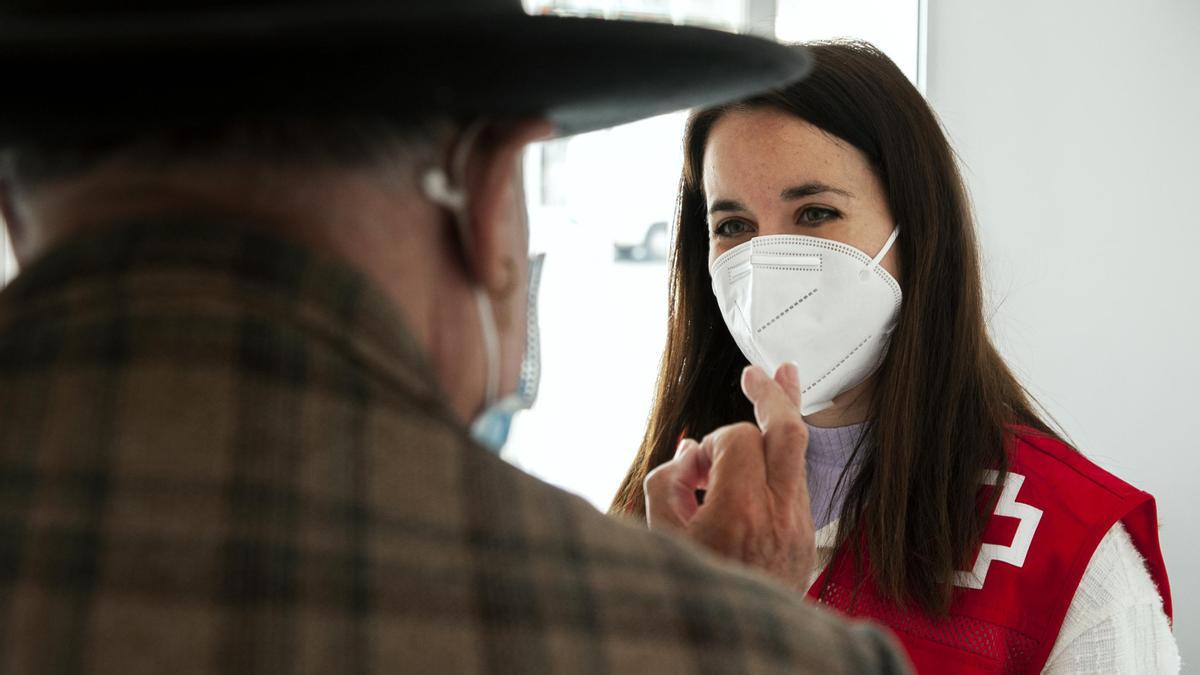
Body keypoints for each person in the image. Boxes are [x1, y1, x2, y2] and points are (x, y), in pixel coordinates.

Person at [0, 2, 911, 673]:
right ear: (486, 201)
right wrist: (722, 623)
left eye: (816, 213)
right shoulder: (742, 653)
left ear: (11, 206)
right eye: (731, 224)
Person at [617, 41, 1180, 674]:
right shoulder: (666, 507)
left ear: (916, 232)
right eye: (734, 226)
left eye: (816, 213)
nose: (769, 264)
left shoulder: (1069, 558)